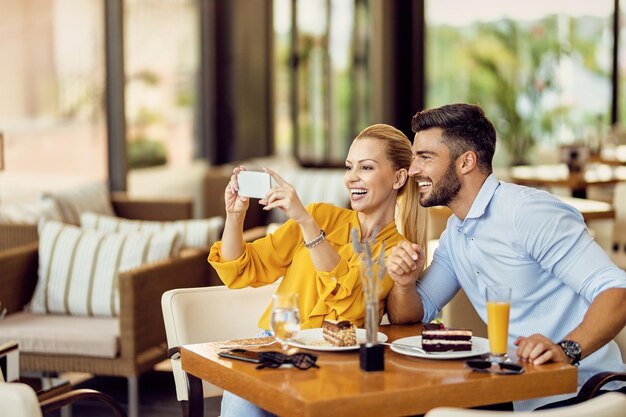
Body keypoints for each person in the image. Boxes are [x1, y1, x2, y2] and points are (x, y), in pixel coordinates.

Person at [385, 103, 626, 411]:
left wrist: (567, 349)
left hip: (584, 393)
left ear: (466, 162)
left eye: (425, 157)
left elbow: (616, 290)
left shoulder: (527, 213)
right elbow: (414, 313)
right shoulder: (455, 233)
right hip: (519, 391)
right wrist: (404, 283)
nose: (414, 169)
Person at [208, 123, 428, 417]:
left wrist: (306, 224)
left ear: (399, 177)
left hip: (333, 369)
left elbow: (347, 299)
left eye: (366, 167)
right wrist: (234, 217)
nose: (352, 178)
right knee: (241, 402)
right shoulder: (320, 214)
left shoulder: (398, 252)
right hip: (275, 348)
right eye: (349, 167)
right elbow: (244, 268)